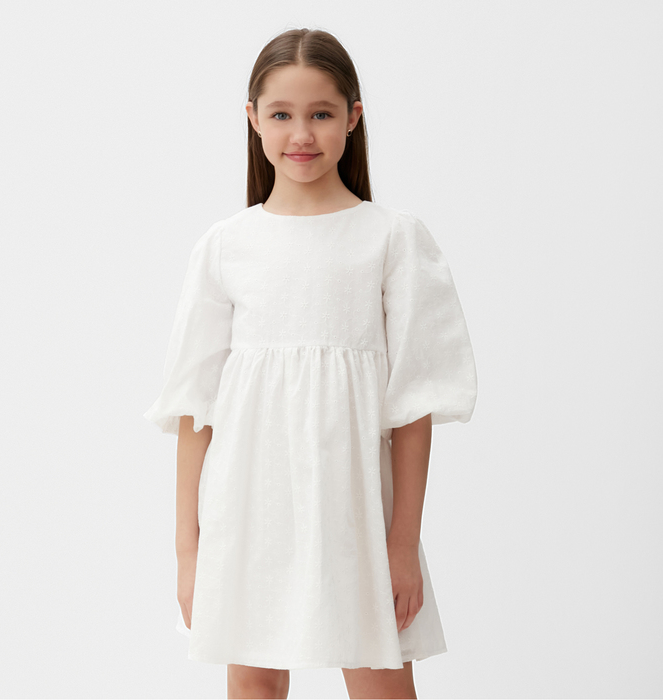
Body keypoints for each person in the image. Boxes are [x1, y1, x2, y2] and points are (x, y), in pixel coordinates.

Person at [144, 27, 478, 700]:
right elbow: (195, 411)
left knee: (380, 683)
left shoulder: (391, 239)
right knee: (256, 684)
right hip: (248, 507)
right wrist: (188, 551)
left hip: (354, 506)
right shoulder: (226, 247)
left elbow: (413, 406)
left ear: (353, 117)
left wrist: (402, 544)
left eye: (321, 113)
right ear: (252, 119)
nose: (301, 134)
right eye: (281, 114)